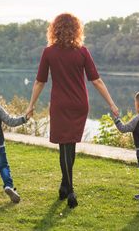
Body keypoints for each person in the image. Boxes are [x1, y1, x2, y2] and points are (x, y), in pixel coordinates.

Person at [26, 13, 119, 208]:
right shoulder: (83, 52)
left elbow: (39, 81)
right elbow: (97, 80)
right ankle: (63, 186)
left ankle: (70, 190)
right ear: (77, 30)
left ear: (55, 29)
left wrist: (31, 105)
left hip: (60, 104)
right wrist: (111, 103)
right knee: (71, 146)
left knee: (64, 146)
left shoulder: (49, 52)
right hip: (79, 104)